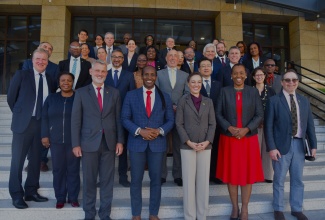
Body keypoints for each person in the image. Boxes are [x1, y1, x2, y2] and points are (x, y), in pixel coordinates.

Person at [71, 60, 124, 220]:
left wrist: (120, 141)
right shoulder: (80, 93)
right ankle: (89, 213)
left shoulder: (114, 93)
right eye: (97, 71)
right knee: (89, 180)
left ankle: (105, 213)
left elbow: (118, 119)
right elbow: (75, 120)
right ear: (91, 72)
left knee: (107, 181)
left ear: (106, 74)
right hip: (88, 143)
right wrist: (76, 144)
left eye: (103, 71)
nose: (100, 74)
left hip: (109, 143)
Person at [121, 65, 174, 220]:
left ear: (156, 77)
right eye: (146, 75)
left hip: (157, 144)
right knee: (136, 180)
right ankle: (136, 214)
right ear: (141, 76)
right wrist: (139, 130)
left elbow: (171, 120)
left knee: (156, 180)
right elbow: (124, 118)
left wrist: (158, 131)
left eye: (152, 75)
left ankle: (153, 213)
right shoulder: (131, 95)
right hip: (137, 143)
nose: (149, 77)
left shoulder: (165, 96)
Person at [264, 70, 317, 220]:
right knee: (279, 179)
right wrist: (272, 148)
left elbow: (310, 125)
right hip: (281, 147)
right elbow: (268, 126)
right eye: (287, 80)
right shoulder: (274, 101)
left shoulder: (304, 100)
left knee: (297, 180)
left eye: (294, 80)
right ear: (282, 82)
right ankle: (278, 209)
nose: (291, 82)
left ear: (298, 82)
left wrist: (313, 145)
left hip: (300, 145)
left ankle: (296, 208)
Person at [7, 48, 56, 209]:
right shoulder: (22, 75)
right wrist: (22, 114)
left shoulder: (49, 78)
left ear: (47, 62)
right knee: (18, 161)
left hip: (41, 124)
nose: (41, 62)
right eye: (38, 59)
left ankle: (31, 191)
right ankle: (16, 194)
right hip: (23, 124)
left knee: (35, 160)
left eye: (44, 59)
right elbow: (11, 98)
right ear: (32, 60)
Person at [216, 64, 264, 220]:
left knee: (247, 175)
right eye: (235, 73)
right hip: (229, 139)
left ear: (245, 75)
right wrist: (229, 127)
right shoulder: (224, 91)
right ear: (231, 75)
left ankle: (245, 209)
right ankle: (235, 208)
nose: (238, 75)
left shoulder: (252, 92)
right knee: (231, 174)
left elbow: (259, 114)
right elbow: (218, 113)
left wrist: (246, 129)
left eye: (241, 73)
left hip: (248, 139)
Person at [176, 72, 216, 220]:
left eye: (199, 82)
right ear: (188, 84)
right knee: (188, 183)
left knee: (203, 182)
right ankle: (190, 216)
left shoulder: (208, 101)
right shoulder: (182, 101)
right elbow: (178, 124)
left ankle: (202, 215)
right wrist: (188, 142)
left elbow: (212, 124)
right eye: (193, 82)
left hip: (205, 146)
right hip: (188, 146)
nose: (196, 85)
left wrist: (207, 142)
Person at [41, 72, 80, 209]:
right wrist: (45, 135)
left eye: (69, 80)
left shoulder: (78, 98)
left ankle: (73, 197)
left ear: (72, 82)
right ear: (59, 82)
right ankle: (60, 197)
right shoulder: (51, 98)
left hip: (74, 142)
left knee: (73, 169)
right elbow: (44, 117)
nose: (66, 83)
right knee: (58, 170)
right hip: (56, 140)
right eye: (63, 80)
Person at [22, 41, 60, 172]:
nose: (47, 49)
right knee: (31, 136)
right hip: (30, 109)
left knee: (45, 134)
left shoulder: (54, 67)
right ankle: (31, 160)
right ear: (38, 49)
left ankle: (42, 160)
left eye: (50, 49)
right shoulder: (28, 63)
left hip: (46, 107)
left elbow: (55, 87)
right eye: (45, 47)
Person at [156, 49, 189, 186]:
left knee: (178, 144)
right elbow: (156, 91)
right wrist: (168, 106)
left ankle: (178, 175)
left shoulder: (185, 75)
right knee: (162, 145)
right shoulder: (158, 74)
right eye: (170, 56)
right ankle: (161, 175)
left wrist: (178, 106)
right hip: (163, 114)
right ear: (166, 58)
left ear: (179, 58)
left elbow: (187, 93)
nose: (173, 58)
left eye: (176, 55)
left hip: (179, 114)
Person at [104, 49, 136, 187]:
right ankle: (106, 177)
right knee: (106, 147)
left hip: (123, 116)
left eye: (119, 57)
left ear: (123, 60)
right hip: (106, 116)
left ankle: (123, 176)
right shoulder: (104, 74)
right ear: (110, 58)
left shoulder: (129, 75)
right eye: (114, 57)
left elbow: (132, 96)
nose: (116, 59)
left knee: (122, 147)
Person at [198, 57, 222, 184]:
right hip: (199, 123)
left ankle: (215, 175)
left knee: (216, 149)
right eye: (203, 65)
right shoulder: (195, 84)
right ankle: (203, 176)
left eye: (208, 65)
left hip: (216, 123)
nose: (206, 68)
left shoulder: (218, 84)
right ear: (199, 69)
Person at [251, 67, 276, 183]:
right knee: (254, 150)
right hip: (253, 124)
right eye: (257, 75)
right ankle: (255, 175)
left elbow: (275, 108)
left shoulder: (271, 91)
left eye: (261, 75)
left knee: (267, 149)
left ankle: (268, 175)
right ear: (253, 77)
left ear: (265, 76)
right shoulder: (249, 90)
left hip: (268, 124)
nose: (259, 77)